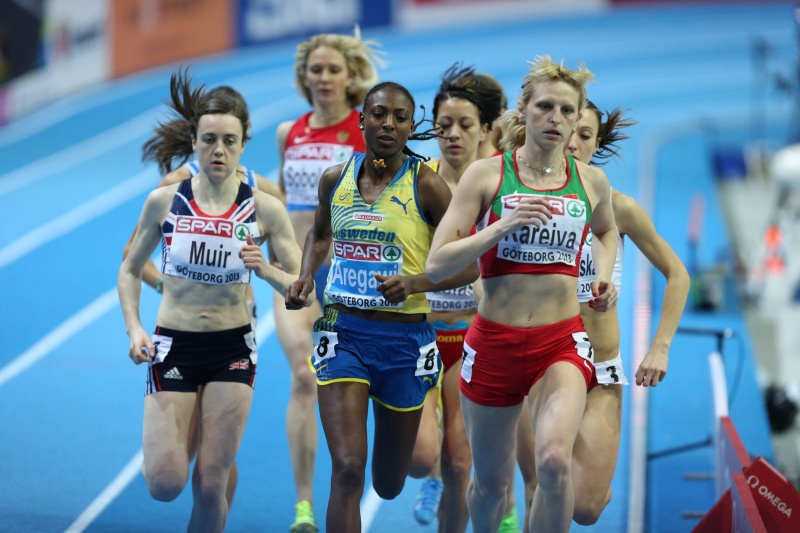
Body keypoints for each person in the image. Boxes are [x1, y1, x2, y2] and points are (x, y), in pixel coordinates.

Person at [425, 56, 619, 533]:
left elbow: (606, 230)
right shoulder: (486, 176)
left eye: (567, 110)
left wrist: (602, 275)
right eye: (545, 106)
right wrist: (499, 227)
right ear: (523, 109)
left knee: (553, 462)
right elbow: (437, 263)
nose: (556, 118)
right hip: (494, 343)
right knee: (491, 486)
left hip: (561, 343)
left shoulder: (590, 181)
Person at [285, 81, 479, 533]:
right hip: (344, 334)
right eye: (378, 114)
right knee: (347, 469)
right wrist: (306, 273)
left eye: (399, 117)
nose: (388, 124)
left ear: (411, 127)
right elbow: (319, 233)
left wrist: (415, 283)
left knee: (389, 482)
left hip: (405, 341)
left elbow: (469, 265)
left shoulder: (427, 185)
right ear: (362, 120)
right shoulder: (335, 178)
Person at [118, 70, 302, 532]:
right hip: (174, 343)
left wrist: (266, 271)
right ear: (195, 142)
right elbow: (129, 266)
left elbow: (302, 286)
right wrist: (136, 328)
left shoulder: (265, 205)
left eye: (229, 141)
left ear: (244, 143)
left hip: (232, 347)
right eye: (209, 140)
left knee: (211, 482)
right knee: (165, 482)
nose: (218, 150)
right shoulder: (165, 199)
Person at [515, 101, 690, 529]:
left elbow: (678, 274)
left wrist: (660, 347)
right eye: (569, 130)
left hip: (600, 368)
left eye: (586, 135)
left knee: (586, 507)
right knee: (540, 487)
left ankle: (589, 482)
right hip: (538, 364)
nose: (574, 142)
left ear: (597, 145)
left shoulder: (618, 208)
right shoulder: (522, 201)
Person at [274, 28, 383, 532]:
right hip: (295, 275)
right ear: (304, 76)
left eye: (333, 69)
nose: (323, 77)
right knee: (303, 375)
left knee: (359, 384)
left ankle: (356, 479)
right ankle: (304, 506)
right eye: (315, 69)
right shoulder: (288, 132)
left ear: (350, 75)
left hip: (348, 278)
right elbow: (283, 200)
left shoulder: (365, 133)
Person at [406, 64, 511, 533]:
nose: (452, 134)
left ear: (485, 129)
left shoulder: (498, 183)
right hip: (419, 333)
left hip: (472, 334)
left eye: (465, 125)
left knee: (460, 462)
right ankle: (427, 475)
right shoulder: (416, 180)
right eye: (443, 124)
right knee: (419, 457)